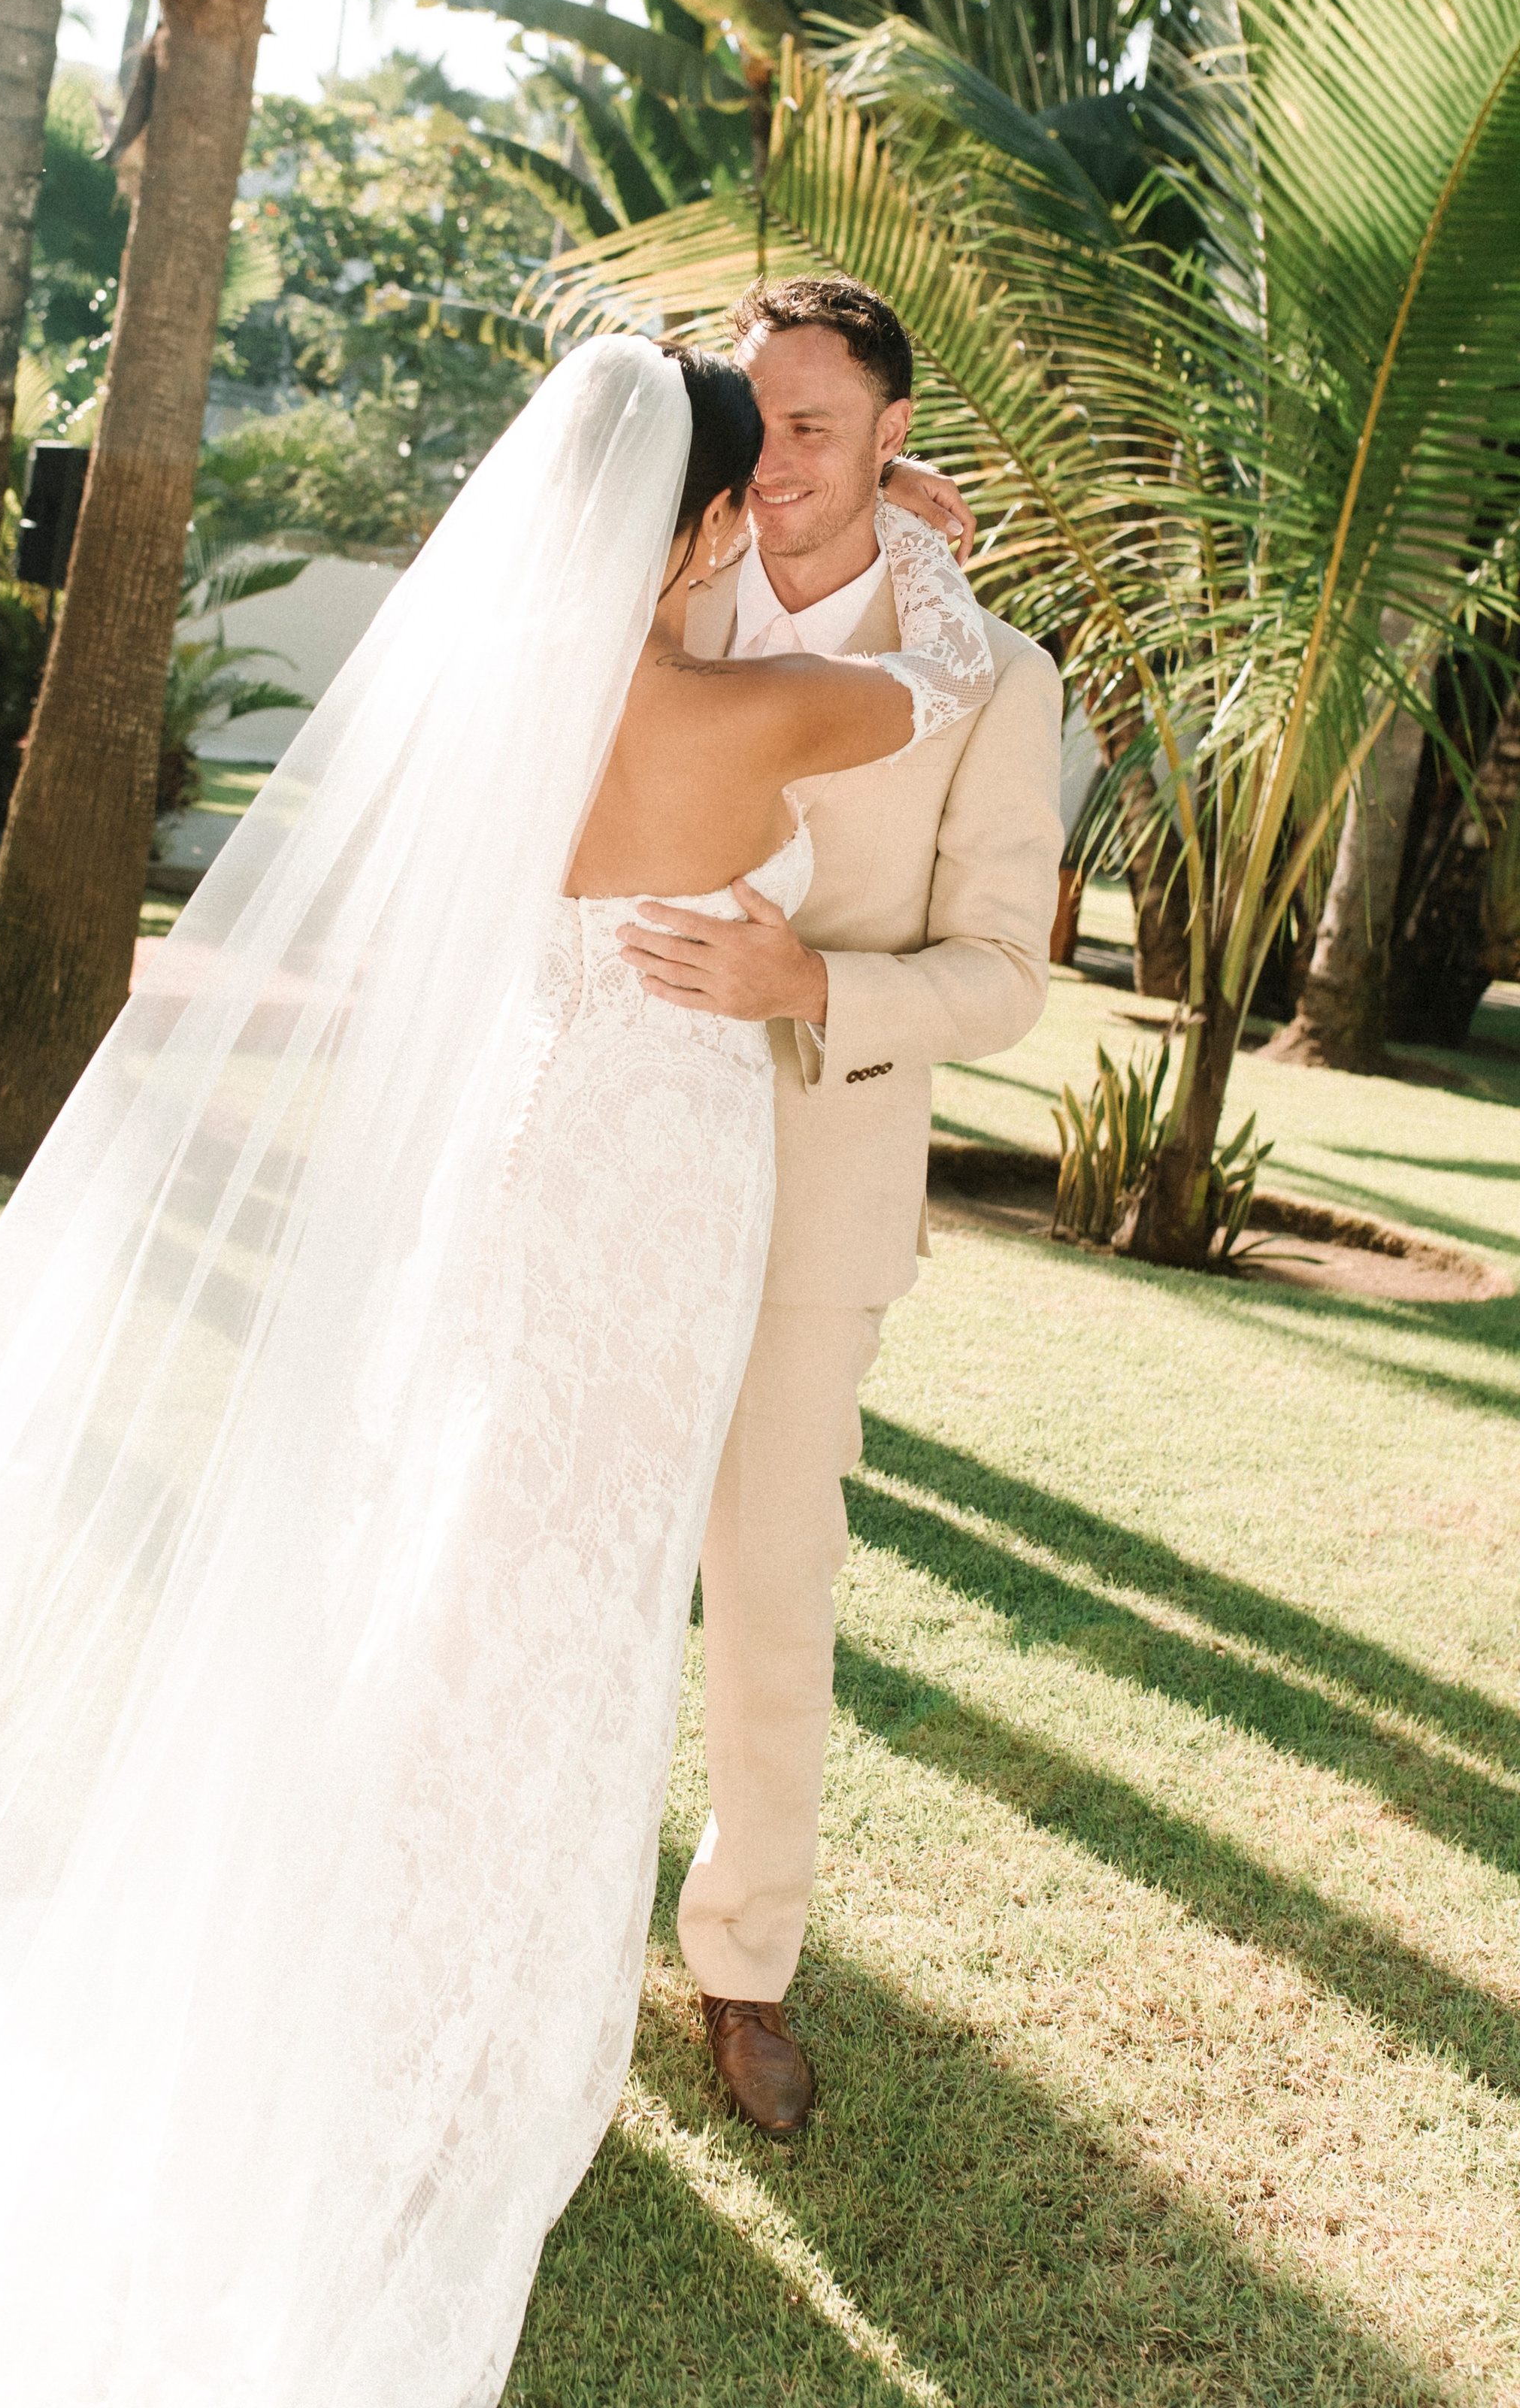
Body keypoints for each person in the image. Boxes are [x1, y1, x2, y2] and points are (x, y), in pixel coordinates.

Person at [0, 334, 997, 2406]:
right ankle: (444, 2031)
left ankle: (347, 1969)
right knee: (571, 1599)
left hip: (508, 1172)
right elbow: (941, 676)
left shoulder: (516, 710)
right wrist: (925, 538)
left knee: (447, 1565)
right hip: (650, 1197)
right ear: (703, 522)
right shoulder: (746, 711)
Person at [617, 275, 1064, 2137]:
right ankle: (535, 1920)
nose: (776, 459)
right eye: (756, 420)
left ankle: (744, 1968)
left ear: (894, 437)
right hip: (602, 1159)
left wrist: (813, 988)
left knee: (770, 1583)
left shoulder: (994, 676)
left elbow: (1003, 975)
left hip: (817, 1185)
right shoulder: (645, 584)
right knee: (563, 1550)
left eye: (817, 425)